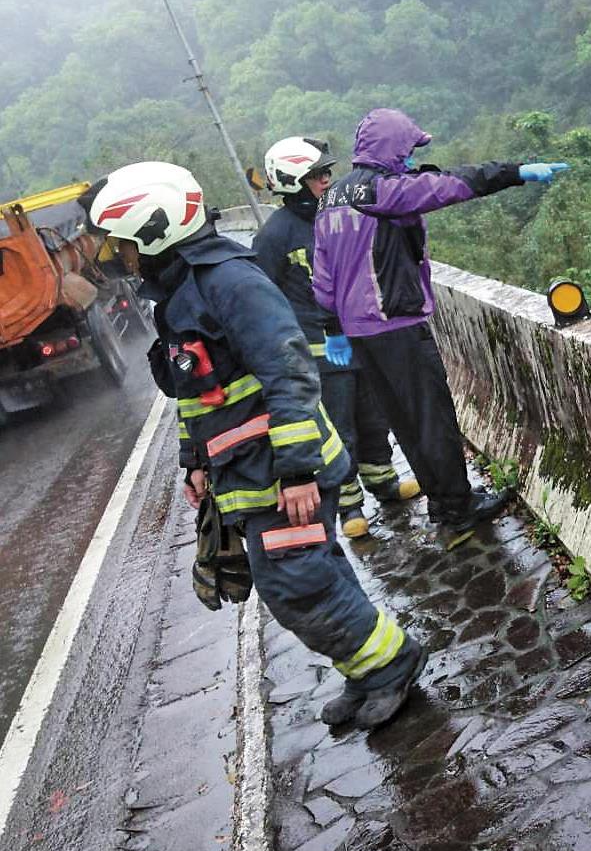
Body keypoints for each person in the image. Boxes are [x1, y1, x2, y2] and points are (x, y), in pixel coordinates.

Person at [81, 161, 425, 730]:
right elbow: (197, 394)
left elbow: (289, 372)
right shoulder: (180, 296)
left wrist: (297, 470)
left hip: (283, 470)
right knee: (314, 571)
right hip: (249, 472)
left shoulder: (229, 282)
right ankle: (367, 670)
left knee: (294, 583)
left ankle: (390, 665)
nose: (115, 256)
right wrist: (195, 462)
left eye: (119, 243)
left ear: (152, 230)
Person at [312, 107, 569, 548]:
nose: (412, 159)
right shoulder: (385, 191)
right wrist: (516, 173)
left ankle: (443, 502)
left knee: (405, 422)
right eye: (408, 150)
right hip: (396, 324)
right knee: (433, 419)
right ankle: (458, 510)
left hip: (361, 334)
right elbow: (452, 184)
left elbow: (322, 276)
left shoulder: (330, 198)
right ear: (393, 149)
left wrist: (333, 324)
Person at [252, 136, 420, 539]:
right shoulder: (274, 237)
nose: (327, 180)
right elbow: (264, 299)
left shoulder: (339, 214)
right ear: (293, 183)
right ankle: (350, 506)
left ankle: (384, 481)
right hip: (320, 355)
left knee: (374, 417)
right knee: (339, 429)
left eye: (327, 173)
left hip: (361, 339)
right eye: (317, 176)